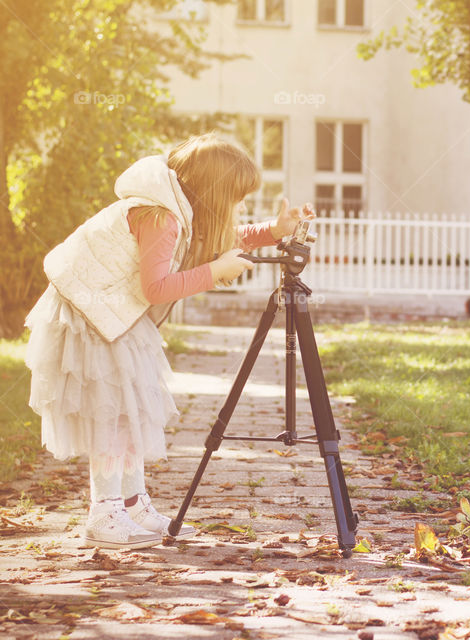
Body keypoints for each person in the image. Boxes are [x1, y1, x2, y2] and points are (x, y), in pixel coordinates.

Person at [23, 133, 315, 549]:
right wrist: (215, 273)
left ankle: (132, 503)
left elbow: (222, 237)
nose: (243, 207)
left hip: (114, 316)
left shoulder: (176, 211)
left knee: (133, 409)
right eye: (238, 197)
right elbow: (156, 288)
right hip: (89, 317)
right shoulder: (161, 218)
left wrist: (274, 230)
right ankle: (104, 511)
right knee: (114, 413)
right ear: (215, 194)